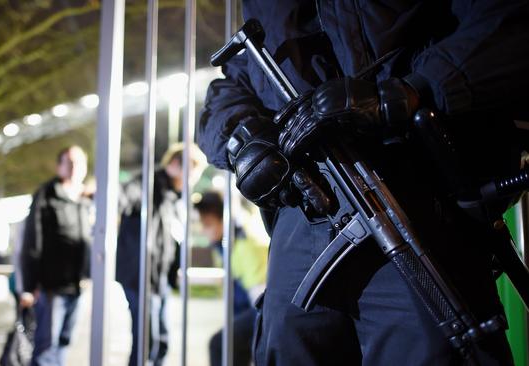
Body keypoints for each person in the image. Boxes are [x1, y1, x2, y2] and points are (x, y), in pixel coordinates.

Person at [198, 1, 529, 365]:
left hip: (416, 196)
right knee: (289, 345)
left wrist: (407, 92)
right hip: (304, 202)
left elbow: (506, 22)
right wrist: (242, 139)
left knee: (435, 348)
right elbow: (236, 83)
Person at [116, 143, 205, 366]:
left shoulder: (175, 198)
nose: (192, 179)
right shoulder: (148, 185)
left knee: (162, 338)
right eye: (191, 171)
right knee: (147, 339)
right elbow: (124, 194)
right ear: (175, 165)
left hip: (161, 276)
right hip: (140, 274)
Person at [19, 145, 93, 366]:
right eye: (69, 162)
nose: (75, 168)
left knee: (64, 343)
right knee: (45, 348)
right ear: (59, 166)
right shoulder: (46, 195)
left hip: (78, 284)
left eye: (79, 163)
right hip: (51, 286)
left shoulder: (86, 198)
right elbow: (32, 241)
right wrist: (30, 285)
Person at [194, 191, 267, 366]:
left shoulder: (244, 244)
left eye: (208, 224)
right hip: (250, 309)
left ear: (223, 220)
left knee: (219, 344)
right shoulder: (225, 245)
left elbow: (260, 297)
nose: (203, 231)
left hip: (263, 309)